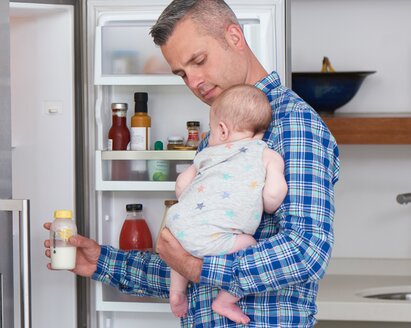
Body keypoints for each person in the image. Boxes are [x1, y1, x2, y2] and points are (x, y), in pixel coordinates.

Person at [44, 0, 340, 326]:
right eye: (182, 73)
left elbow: (305, 253)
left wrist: (195, 267)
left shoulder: (291, 124)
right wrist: (101, 262)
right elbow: (190, 261)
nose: (194, 82)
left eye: (199, 61)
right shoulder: (217, 138)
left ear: (234, 37)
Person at [167, 84, 288, 324]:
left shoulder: (206, 155)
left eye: (210, 131)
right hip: (217, 236)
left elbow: (181, 186)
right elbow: (274, 198)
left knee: (180, 250)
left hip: (178, 225)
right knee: (249, 245)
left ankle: (177, 291)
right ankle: (225, 299)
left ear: (222, 130)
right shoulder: (268, 155)